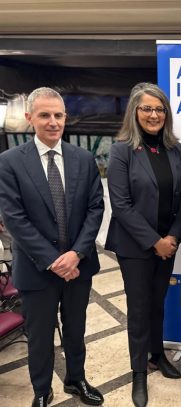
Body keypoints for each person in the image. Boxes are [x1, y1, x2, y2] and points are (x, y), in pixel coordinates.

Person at [0, 87, 105, 407]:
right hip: (36, 270)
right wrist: (53, 260)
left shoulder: (83, 159)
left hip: (78, 267)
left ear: (65, 117)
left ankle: (76, 379)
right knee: (40, 335)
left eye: (58, 115)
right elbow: (14, 218)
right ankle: (42, 390)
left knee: (75, 329)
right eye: (44, 115)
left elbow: (95, 209)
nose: (53, 122)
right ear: (29, 118)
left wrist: (76, 254)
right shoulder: (9, 162)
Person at [105, 83, 181, 407]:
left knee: (157, 304)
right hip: (135, 247)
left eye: (159, 109)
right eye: (147, 109)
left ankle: (157, 355)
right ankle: (139, 371)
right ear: (135, 112)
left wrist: (173, 237)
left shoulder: (175, 149)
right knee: (139, 309)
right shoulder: (122, 150)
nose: (154, 115)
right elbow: (121, 205)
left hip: (168, 244)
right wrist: (154, 242)